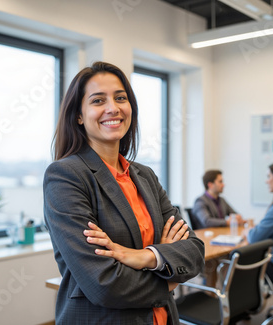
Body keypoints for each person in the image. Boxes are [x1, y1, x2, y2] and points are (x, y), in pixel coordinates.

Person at [43, 61, 205, 325]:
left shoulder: (145, 176)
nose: (113, 108)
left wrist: (146, 256)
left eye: (121, 98)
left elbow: (195, 251)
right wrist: (168, 278)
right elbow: (103, 283)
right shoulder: (66, 176)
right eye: (98, 100)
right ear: (79, 116)